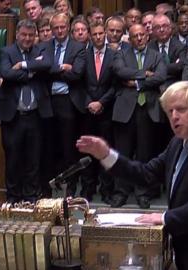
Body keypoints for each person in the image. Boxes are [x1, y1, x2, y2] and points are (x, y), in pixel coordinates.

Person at [76, 81, 188, 270]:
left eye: (181, 110)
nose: (174, 116)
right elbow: (146, 174)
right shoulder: (178, 142)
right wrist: (106, 155)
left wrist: (166, 218)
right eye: (169, 111)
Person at [0, 19, 52, 203]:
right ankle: (13, 198)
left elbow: (48, 65)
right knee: (13, 159)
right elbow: (6, 73)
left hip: (36, 115)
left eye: (30, 35)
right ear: (17, 35)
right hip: (14, 117)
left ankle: (31, 197)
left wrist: (22, 66)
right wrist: (32, 72)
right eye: (24, 35)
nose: (27, 39)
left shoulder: (41, 50)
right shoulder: (7, 51)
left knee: (33, 160)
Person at [111, 23, 166, 209]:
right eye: (135, 36)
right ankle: (121, 192)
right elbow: (119, 71)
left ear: (147, 36)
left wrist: (136, 83)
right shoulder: (121, 54)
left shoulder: (157, 56)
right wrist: (145, 74)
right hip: (125, 109)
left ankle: (142, 192)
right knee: (122, 154)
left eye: (142, 34)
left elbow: (160, 77)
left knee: (145, 154)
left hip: (147, 109)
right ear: (130, 39)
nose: (140, 38)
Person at [40, 12, 86, 196]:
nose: (59, 31)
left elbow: (77, 74)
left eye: (62, 27)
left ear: (68, 27)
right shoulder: (43, 47)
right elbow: (42, 72)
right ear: (51, 29)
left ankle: (71, 188)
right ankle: (48, 189)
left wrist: (53, 69)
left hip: (68, 102)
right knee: (48, 147)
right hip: (48, 101)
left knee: (69, 148)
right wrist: (63, 68)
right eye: (55, 28)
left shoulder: (78, 47)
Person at [80, 21, 115, 203]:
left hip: (107, 111)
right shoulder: (84, 55)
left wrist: (101, 102)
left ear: (105, 34)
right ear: (90, 36)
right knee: (88, 151)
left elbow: (115, 85)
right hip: (87, 113)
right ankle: (88, 187)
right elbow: (79, 83)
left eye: (101, 33)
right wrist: (89, 103)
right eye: (95, 34)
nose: (98, 37)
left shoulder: (114, 55)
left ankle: (106, 190)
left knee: (106, 151)